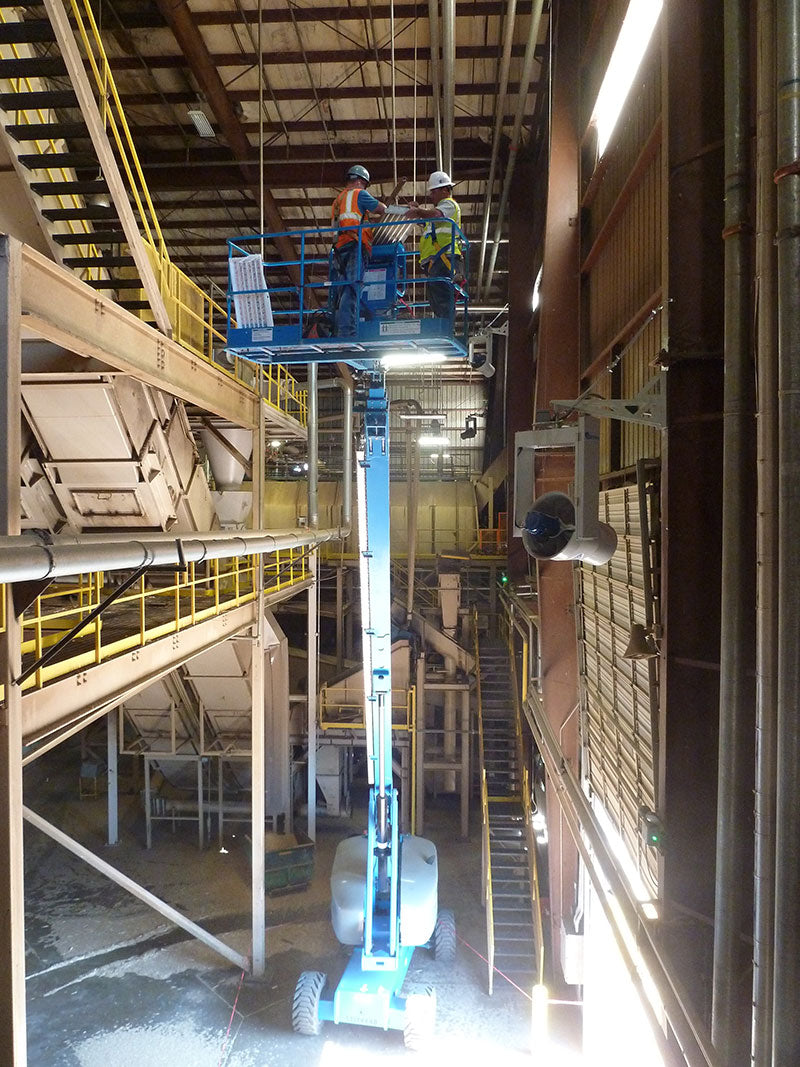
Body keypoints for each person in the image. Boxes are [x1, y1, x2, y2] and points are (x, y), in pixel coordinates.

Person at [329, 164, 387, 336]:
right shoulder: (359, 194)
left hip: (340, 248)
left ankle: (337, 327)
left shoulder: (338, 200)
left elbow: (334, 227)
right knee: (352, 288)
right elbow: (382, 209)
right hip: (356, 246)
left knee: (341, 289)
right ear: (361, 181)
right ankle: (347, 331)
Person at [405, 170, 465, 322]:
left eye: (434, 191)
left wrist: (418, 211)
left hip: (445, 258)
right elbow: (429, 222)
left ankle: (445, 327)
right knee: (436, 296)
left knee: (442, 295)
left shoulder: (449, 205)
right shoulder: (438, 213)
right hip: (437, 261)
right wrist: (416, 211)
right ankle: (443, 324)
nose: (431, 196)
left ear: (445, 190)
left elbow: (436, 215)